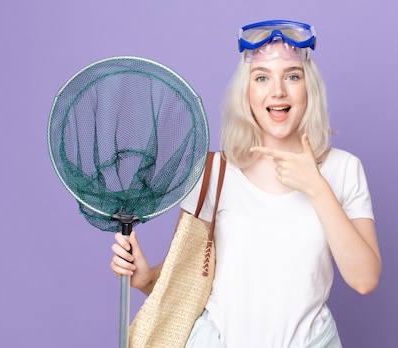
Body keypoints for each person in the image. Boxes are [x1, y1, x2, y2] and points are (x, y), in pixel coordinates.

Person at [110, 19, 382, 347]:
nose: (277, 90)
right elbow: (181, 284)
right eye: (262, 77)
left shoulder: (344, 169)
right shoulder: (214, 173)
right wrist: (144, 278)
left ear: (309, 87)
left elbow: (365, 279)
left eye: (292, 76)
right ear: (247, 92)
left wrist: (316, 187)